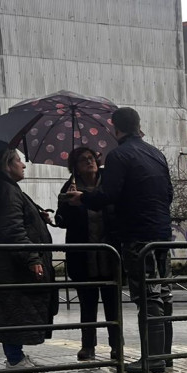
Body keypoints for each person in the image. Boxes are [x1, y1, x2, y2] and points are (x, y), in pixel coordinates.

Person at [67, 107, 173, 373]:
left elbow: (109, 195)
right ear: (138, 125)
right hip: (162, 233)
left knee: (147, 297)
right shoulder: (156, 153)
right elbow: (168, 193)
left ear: (116, 128)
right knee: (163, 294)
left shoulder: (119, 155)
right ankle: (164, 355)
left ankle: (153, 359)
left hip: (137, 235)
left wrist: (83, 198)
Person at [0, 148, 58, 368]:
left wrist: (38, 216)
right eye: (19, 160)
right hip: (14, 268)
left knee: (15, 311)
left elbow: (18, 222)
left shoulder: (8, 189)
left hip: (12, 266)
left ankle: (16, 357)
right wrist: (32, 259)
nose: (23, 165)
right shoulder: (7, 190)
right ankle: (15, 360)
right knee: (15, 311)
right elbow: (13, 229)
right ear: (7, 165)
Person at [56, 146, 121, 362]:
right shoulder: (70, 187)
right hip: (83, 256)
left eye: (91, 158)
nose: (89, 162)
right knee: (87, 302)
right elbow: (61, 221)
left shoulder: (109, 184)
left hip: (110, 253)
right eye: (83, 160)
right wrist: (70, 203)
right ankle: (88, 346)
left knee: (113, 302)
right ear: (75, 167)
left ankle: (116, 346)